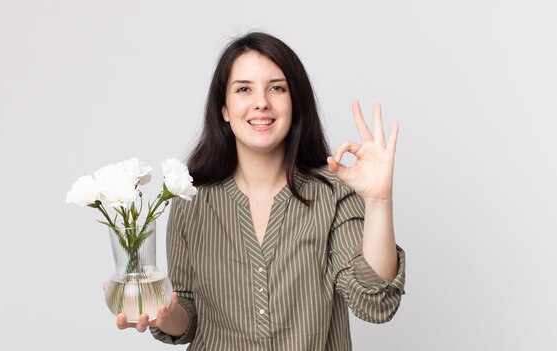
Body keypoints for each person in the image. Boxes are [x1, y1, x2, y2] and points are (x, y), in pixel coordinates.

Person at [115, 32, 406, 350]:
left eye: (277, 88)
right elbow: (187, 318)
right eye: (243, 89)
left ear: (295, 103)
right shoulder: (190, 198)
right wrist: (162, 315)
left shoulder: (333, 192)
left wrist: (379, 201)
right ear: (224, 109)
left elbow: (375, 303)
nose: (261, 102)